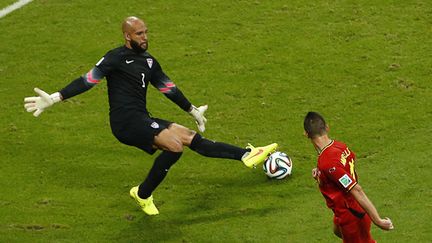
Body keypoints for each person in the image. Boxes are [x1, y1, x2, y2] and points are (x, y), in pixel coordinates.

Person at [23, 16, 278, 216]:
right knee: (175, 145)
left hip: (142, 118)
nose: (144, 37)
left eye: (146, 32)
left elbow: (169, 88)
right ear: (127, 36)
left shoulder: (149, 61)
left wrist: (193, 110)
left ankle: (245, 155)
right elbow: (88, 80)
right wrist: (55, 98)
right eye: (139, 34)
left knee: (188, 137)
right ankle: (143, 193)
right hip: (125, 122)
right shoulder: (114, 58)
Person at [303, 111, 393, 242]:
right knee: (337, 230)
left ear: (306, 134)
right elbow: (339, 169)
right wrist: (320, 174)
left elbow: (356, 189)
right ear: (327, 127)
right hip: (345, 209)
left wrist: (378, 221)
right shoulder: (339, 146)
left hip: (351, 213)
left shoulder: (327, 163)